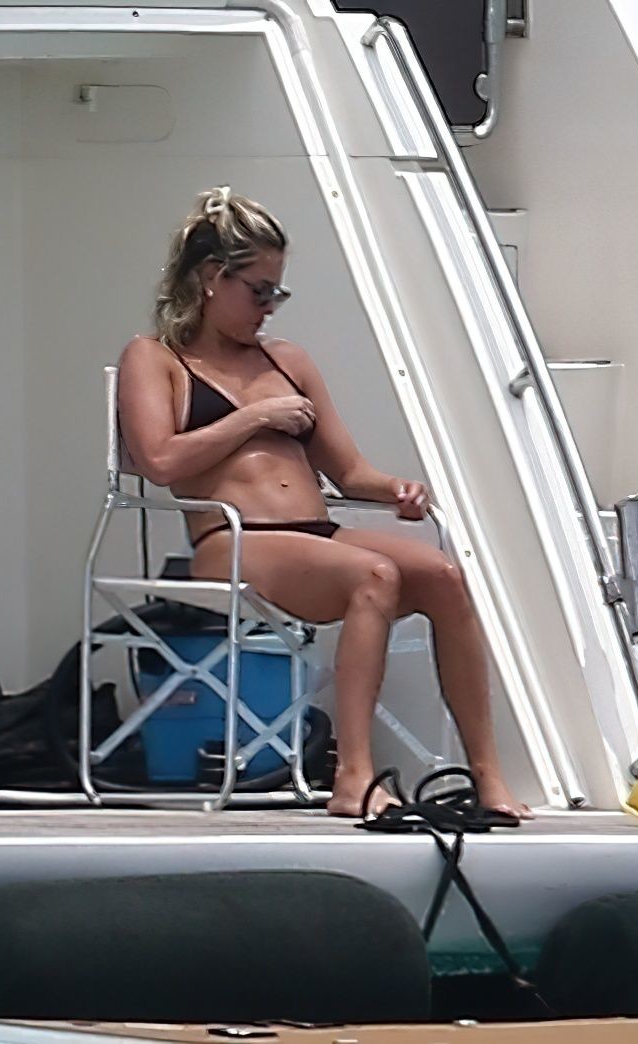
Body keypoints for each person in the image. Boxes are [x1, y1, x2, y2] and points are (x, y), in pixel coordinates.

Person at [116, 185, 531, 820]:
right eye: (259, 291)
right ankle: (353, 776)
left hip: (315, 533)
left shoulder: (287, 361)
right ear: (210, 278)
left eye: (277, 294)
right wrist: (254, 416)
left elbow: (349, 471)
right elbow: (160, 461)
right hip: (232, 539)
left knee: (443, 577)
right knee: (374, 575)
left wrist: (396, 489)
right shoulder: (157, 358)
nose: (268, 309)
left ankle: (487, 775)